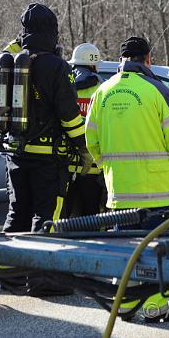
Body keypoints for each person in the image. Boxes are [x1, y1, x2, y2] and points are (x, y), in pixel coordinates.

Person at [85, 36, 169, 322]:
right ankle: (155, 307)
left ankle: (127, 306)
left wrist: (109, 169)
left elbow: (91, 141)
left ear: (120, 60)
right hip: (160, 191)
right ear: (147, 59)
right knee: (158, 251)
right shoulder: (157, 90)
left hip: (120, 191)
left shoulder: (102, 93)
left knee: (126, 251)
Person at [0, 3, 91, 234]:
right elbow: (69, 116)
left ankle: (6, 266)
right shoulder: (57, 66)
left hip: (16, 155)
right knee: (48, 219)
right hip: (48, 161)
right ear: (52, 30)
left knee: (17, 214)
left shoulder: (10, 62)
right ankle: (44, 269)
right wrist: (84, 148)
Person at [62, 43, 105, 218]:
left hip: (65, 163)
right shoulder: (100, 87)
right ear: (94, 64)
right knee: (90, 217)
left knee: (65, 217)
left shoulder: (65, 83)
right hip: (92, 166)